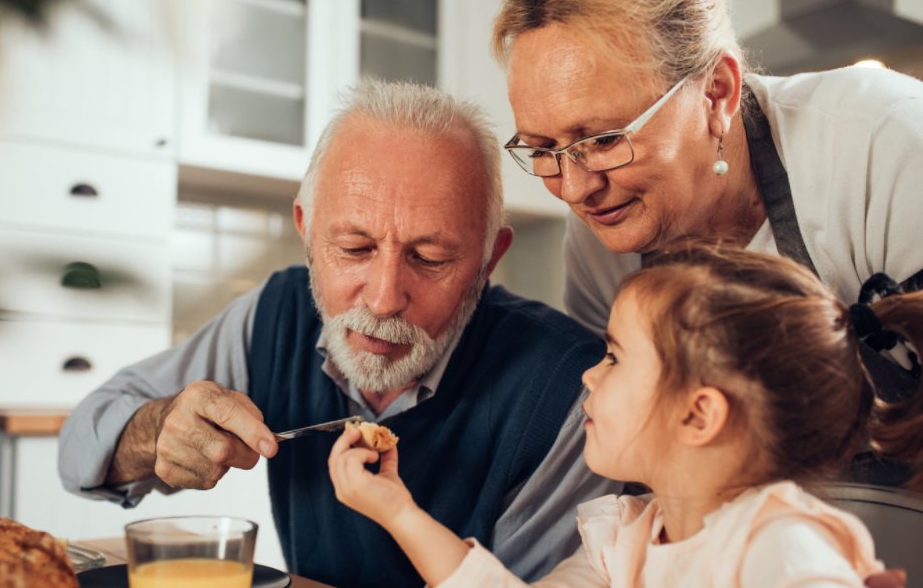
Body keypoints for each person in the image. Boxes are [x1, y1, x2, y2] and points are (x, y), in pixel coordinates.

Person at [57, 80, 617, 587]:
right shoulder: (273, 316)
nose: (382, 298)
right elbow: (79, 449)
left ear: (488, 260)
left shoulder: (570, 393)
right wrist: (156, 430)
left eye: (429, 259)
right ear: (305, 229)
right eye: (354, 249)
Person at [329, 241, 923, 587]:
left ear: (698, 415)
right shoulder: (628, 536)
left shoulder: (782, 553)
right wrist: (397, 511)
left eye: (614, 357)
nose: (589, 373)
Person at [491, 0, 923, 409]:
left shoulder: (885, 142)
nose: (575, 190)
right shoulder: (599, 243)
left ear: (716, 92)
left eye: (605, 140)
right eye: (545, 150)